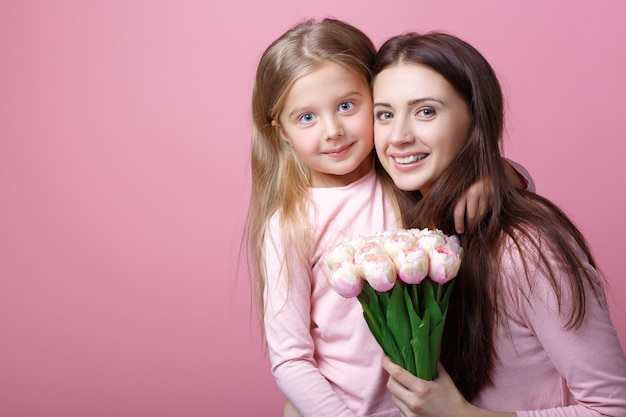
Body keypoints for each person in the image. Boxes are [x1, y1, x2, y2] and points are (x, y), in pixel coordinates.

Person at [246, 19, 532, 417]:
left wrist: (490, 176)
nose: (333, 131)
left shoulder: (402, 178)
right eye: (306, 118)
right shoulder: (291, 224)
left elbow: (521, 187)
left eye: (347, 106)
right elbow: (291, 359)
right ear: (281, 132)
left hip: (434, 405)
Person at [371, 31, 626, 416]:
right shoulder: (409, 231)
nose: (398, 137)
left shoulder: (524, 250)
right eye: (384, 114)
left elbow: (612, 408)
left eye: (426, 111)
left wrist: (461, 415)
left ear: (475, 119)